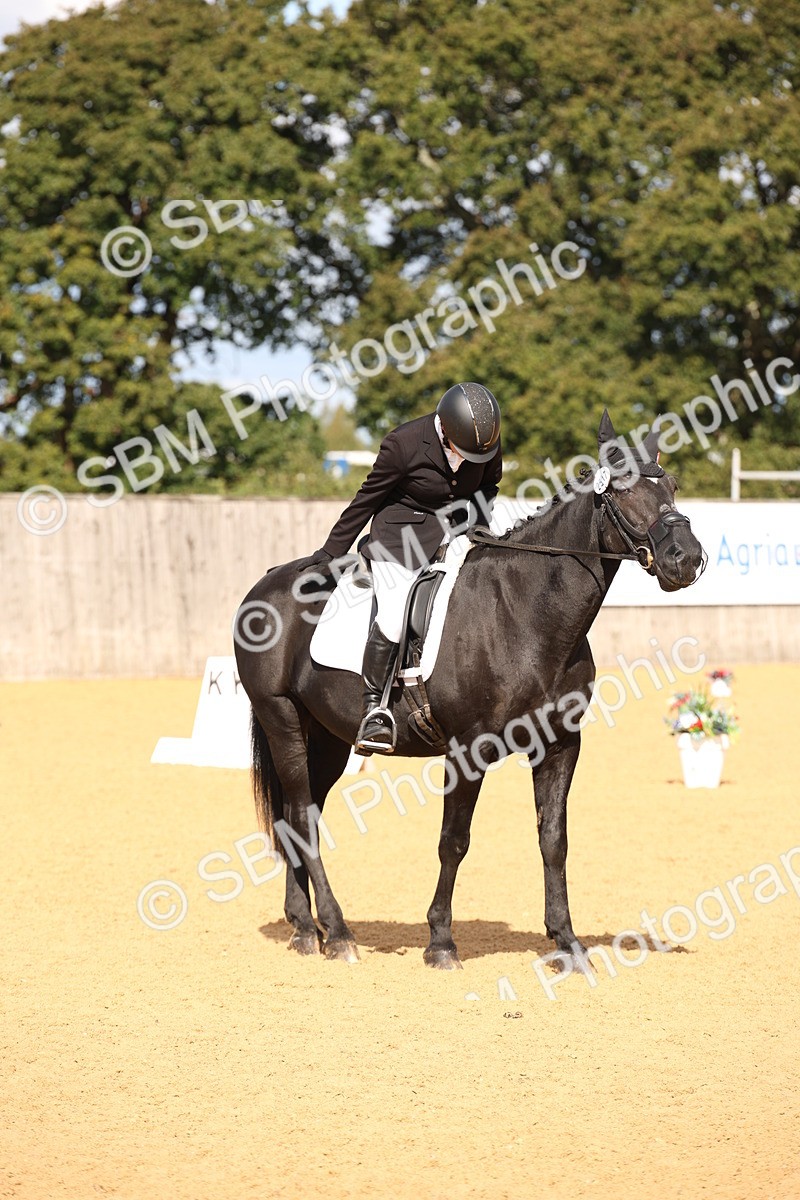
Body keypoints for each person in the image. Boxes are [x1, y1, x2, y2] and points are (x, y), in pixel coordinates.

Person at [306, 382, 502, 755]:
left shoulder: (484, 442)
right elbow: (367, 500)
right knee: (395, 615)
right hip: (400, 538)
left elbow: (488, 485)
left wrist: (477, 526)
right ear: (445, 427)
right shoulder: (404, 443)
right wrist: (332, 552)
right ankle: (374, 711)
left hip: (458, 532)